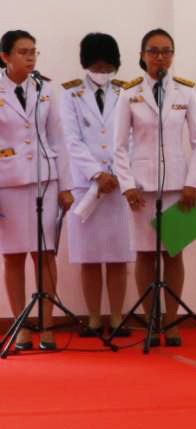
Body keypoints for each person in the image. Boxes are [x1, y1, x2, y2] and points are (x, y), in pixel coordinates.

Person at [113, 29, 196, 346]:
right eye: (153, 51)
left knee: (173, 253)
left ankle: (171, 321)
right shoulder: (129, 93)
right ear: (142, 56)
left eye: (166, 51)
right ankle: (151, 319)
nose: (160, 57)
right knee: (145, 255)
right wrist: (127, 185)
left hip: (178, 186)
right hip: (141, 188)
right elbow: (119, 146)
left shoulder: (185, 92)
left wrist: (193, 182)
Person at [58, 33, 133, 337]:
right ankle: (91, 318)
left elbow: (130, 136)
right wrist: (96, 174)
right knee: (88, 257)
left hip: (118, 184)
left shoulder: (126, 92)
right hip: (85, 185)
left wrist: (115, 172)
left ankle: (115, 317)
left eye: (108, 66)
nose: (102, 71)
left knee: (118, 256)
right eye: (97, 65)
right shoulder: (70, 94)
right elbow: (71, 139)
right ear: (86, 63)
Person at [1, 30, 68, 350]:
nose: (30, 58)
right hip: (8, 183)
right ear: (5, 56)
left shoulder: (45, 89)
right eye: (23, 52)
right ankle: (22, 326)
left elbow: (58, 138)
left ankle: (47, 324)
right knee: (13, 256)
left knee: (45, 254)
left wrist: (66, 185)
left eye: (34, 52)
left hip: (45, 180)